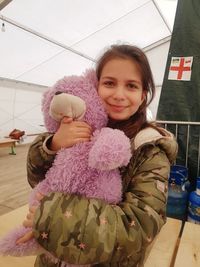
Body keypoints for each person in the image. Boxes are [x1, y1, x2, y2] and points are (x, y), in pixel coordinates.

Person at [23, 44, 177, 267]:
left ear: (143, 96)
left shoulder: (149, 150)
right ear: (96, 85)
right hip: (50, 258)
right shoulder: (72, 124)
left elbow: (141, 226)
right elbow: (35, 179)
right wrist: (53, 144)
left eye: (131, 86)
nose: (118, 95)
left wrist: (50, 218)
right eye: (109, 83)